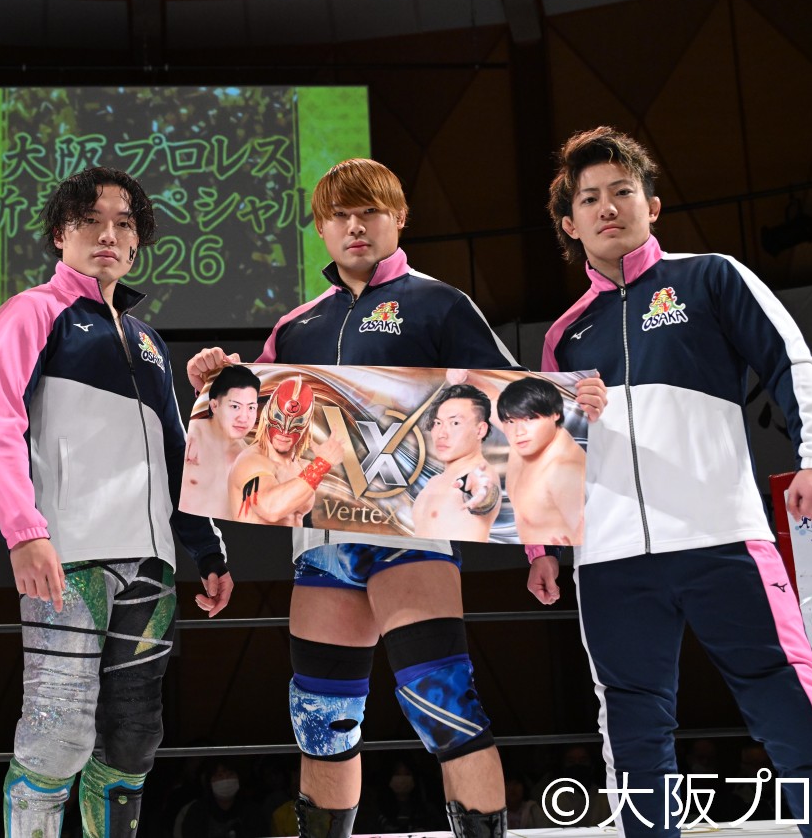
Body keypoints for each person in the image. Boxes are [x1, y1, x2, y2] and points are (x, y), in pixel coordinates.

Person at [188, 158, 604, 837]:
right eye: (339, 215)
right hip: (321, 547)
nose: (355, 226)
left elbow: (515, 412)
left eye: (369, 212)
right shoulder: (295, 328)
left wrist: (539, 545)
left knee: (444, 708)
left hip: (413, 539)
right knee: (322, 724)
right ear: (320, 229)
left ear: (399, 218)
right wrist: (214, 384)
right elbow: (254, 432)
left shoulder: (441, 305)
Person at [527, 126, 812, 837]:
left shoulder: (711, 276)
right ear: (570, 224)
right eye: (589, 198)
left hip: (721, 534)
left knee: (787, 704)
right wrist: (542, 546)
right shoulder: (564, 336)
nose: (607, 207)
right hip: (610, 558)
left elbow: (792, 364)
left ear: (652, 204)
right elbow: (549, 452)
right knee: (632, 729)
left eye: (622, 190)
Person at [0, 166, 234, 838]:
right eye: (90, 221)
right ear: (60, 234)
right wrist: (25, 532)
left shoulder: (149, 341)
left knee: (134, 737)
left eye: (123, 224)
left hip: (151, 563)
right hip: (68, 556)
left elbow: (177, 453)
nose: (108, 235)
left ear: (138, 241)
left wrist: (207, 551)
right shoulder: (31, 312)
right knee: (57, 732)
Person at [227, 376, 345, 526]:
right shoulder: (250, 461)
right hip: (254, 540)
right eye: (278, 417)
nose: (284, 431)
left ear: (306, 425)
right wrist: (322, 464)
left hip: (295, 541)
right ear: (267, 415)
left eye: (297, 421)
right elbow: (270, 509)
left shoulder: (304, 466)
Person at [495, 377, 584, 545]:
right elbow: (492, 397)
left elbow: (592, 538)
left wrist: (551, 554)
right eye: (510, 421)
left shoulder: (563, 472)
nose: (519, 431)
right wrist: (463, 377)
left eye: (529, 419)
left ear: (555, 414)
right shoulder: (523, 442)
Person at [411, 383, 503, 542]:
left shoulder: (481, 474)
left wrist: (483, 492)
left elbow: (486, 494)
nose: (441, 434)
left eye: (455, 423)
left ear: (480, 430)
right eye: (438, 423)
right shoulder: (434, 481)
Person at [180, 364, 261, 519]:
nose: (244, 418)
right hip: (180, 526)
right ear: (214, 405)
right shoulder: (192, 436)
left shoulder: (249, 458)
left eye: (251, 408)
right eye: (235, 406)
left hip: (225, 531)